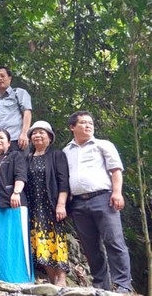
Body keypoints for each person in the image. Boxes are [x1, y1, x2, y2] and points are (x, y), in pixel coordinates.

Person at [63, 111, 132, 292]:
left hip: (103, 198)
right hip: (77, 203)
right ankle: (101, 285)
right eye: (83, 123)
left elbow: (116, 170)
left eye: (90, 123)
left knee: (114, 241)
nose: (88, 126)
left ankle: (122, 285)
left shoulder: (103, 145)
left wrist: (117, 193)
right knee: (90, 246)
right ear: (72, 127)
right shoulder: (66, 151)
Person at [0, 129, 33, 283]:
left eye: (1, 137)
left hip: (12, 201)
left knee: (14, 237)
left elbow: (21, 174)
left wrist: (17, 192)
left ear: (8, 142)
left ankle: (19, 277)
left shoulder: (15, 156)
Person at [26, 120, 70, 286]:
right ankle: (52, 279)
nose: (37, 135)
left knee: (56, 241)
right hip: (34, 206)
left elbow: (63, 180)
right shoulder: (28, 158)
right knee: (40, 243)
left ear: (49, 137)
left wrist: (61, 204)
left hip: (51, 205)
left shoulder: (56, 155)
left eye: (41, 132)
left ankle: (62, 278)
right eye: (34, 133)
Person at [0, 66, 32, 152]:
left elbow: (27, 112)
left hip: (17, 140)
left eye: (2, 76)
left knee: (19, 165)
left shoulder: (19, 93)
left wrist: (24, 134)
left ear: (9, 78)